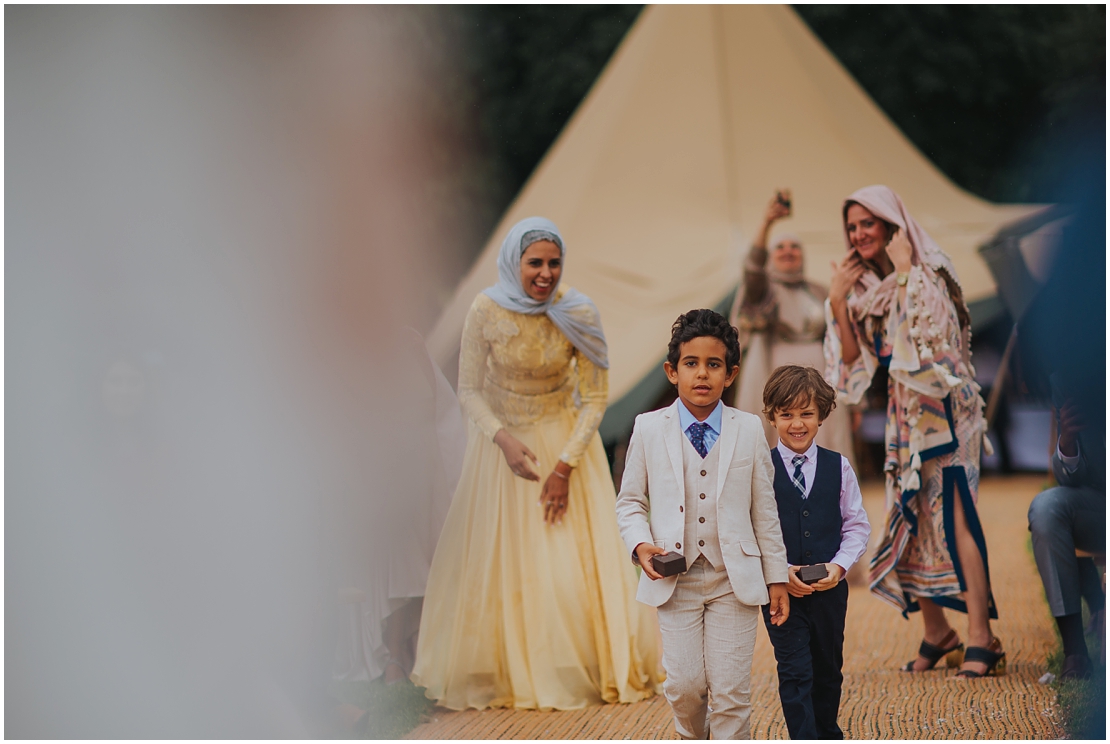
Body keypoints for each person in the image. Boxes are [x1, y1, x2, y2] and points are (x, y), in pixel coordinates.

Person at [411, 217, 661, 710]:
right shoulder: (484, 310)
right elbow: (468, 390)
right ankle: (508, 669)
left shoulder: (578, 311)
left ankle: (580, 666)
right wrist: (502, 440)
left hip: (568, 446)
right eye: (535, 263)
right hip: (501, 449)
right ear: (514, 263)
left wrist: (565, 467)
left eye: (554, 262)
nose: (545, 273)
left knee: (567, 568)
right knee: (505, 564)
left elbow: (595, 396)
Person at [825, 185, 1002, 679]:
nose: (859, 233)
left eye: (868, 222)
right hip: (906, 415)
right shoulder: (860, 289)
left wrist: (905, 274)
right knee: (909, 515)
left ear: (890, 224)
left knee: (956, 516)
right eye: (852, 225)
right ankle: (936, 631)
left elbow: (932, 343)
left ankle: (982, 637)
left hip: (947, 408)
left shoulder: (929, 270)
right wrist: (838, 300)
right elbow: (852, 362)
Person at [616, 309, 790, 739]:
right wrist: (641, 547)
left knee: (731, 691)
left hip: (734, 578)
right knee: (684, 687)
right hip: (676, 579)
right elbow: (630, 502)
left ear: (730, 374)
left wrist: (776, 578)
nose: (702, 374)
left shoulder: (748, 429)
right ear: (671, 372)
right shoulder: (648, 428)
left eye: (714, 365)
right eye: (691, 364)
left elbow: (765, 511)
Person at [760, 365, 870, 740]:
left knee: (827, 669)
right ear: (772, 416)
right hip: (780, 591)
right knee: (794, 672)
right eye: (786, 414)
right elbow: (753, 530)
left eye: (806, 413)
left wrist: (839, 568)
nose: (796, 424)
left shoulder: (839, 467)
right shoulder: (761, 469)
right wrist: (780, 570)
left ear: (821, 416)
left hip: (829, 593)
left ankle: (828, 733)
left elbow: (857, 525)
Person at [730, 190, 855, 471]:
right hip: (773, 374)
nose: (788, 251)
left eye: (794, 247)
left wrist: (856, 402)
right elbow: (752, 270)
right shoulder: (763, 292)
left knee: (825, 441)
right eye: (780, 247)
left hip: (823, 378)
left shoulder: (819, 291)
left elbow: (842, 340)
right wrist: (767, 224)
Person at [1027, 375, 1106, 680]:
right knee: (1046, 509)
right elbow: (1070, 479)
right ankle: (1075, 650)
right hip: (1100, 505)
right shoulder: (1072, 377)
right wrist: (1068, 442)